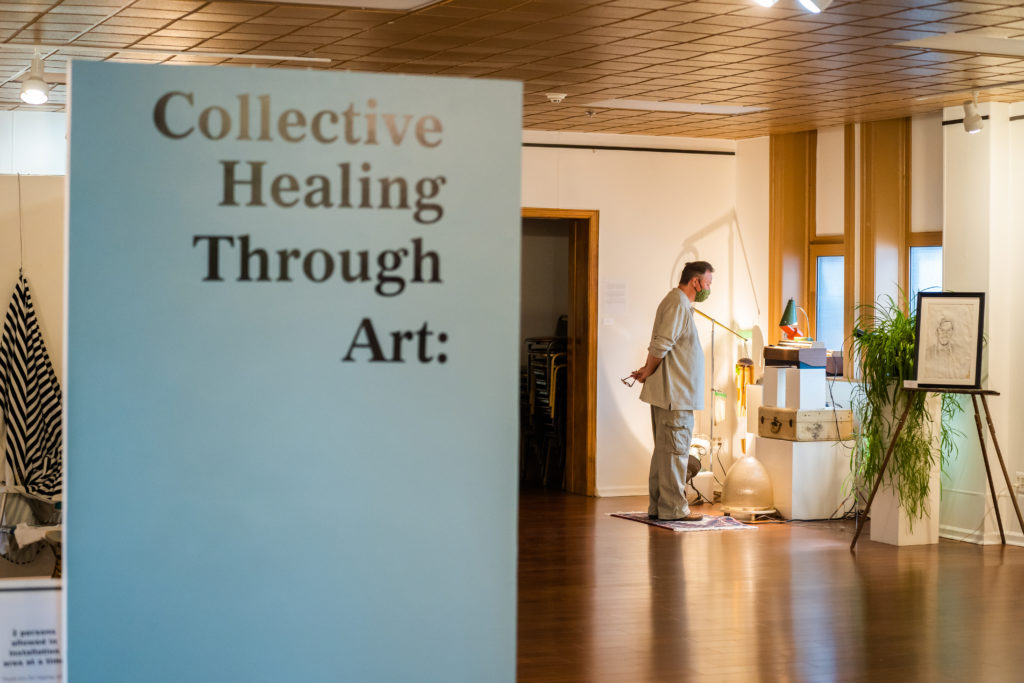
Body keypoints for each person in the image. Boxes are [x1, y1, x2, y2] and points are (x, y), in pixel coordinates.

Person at [630, 261, 713, 521]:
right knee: (675, 454)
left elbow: (662, 343)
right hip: (674, 395)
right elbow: (662, 344)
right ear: (696, 282)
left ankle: (659, 508)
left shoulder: (676, 302)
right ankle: (674, 509)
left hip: (672, 395)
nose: (709, 289)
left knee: (665, 454)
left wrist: (647, 369)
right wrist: (647, 369)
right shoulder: (678, 303)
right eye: (708, 284)